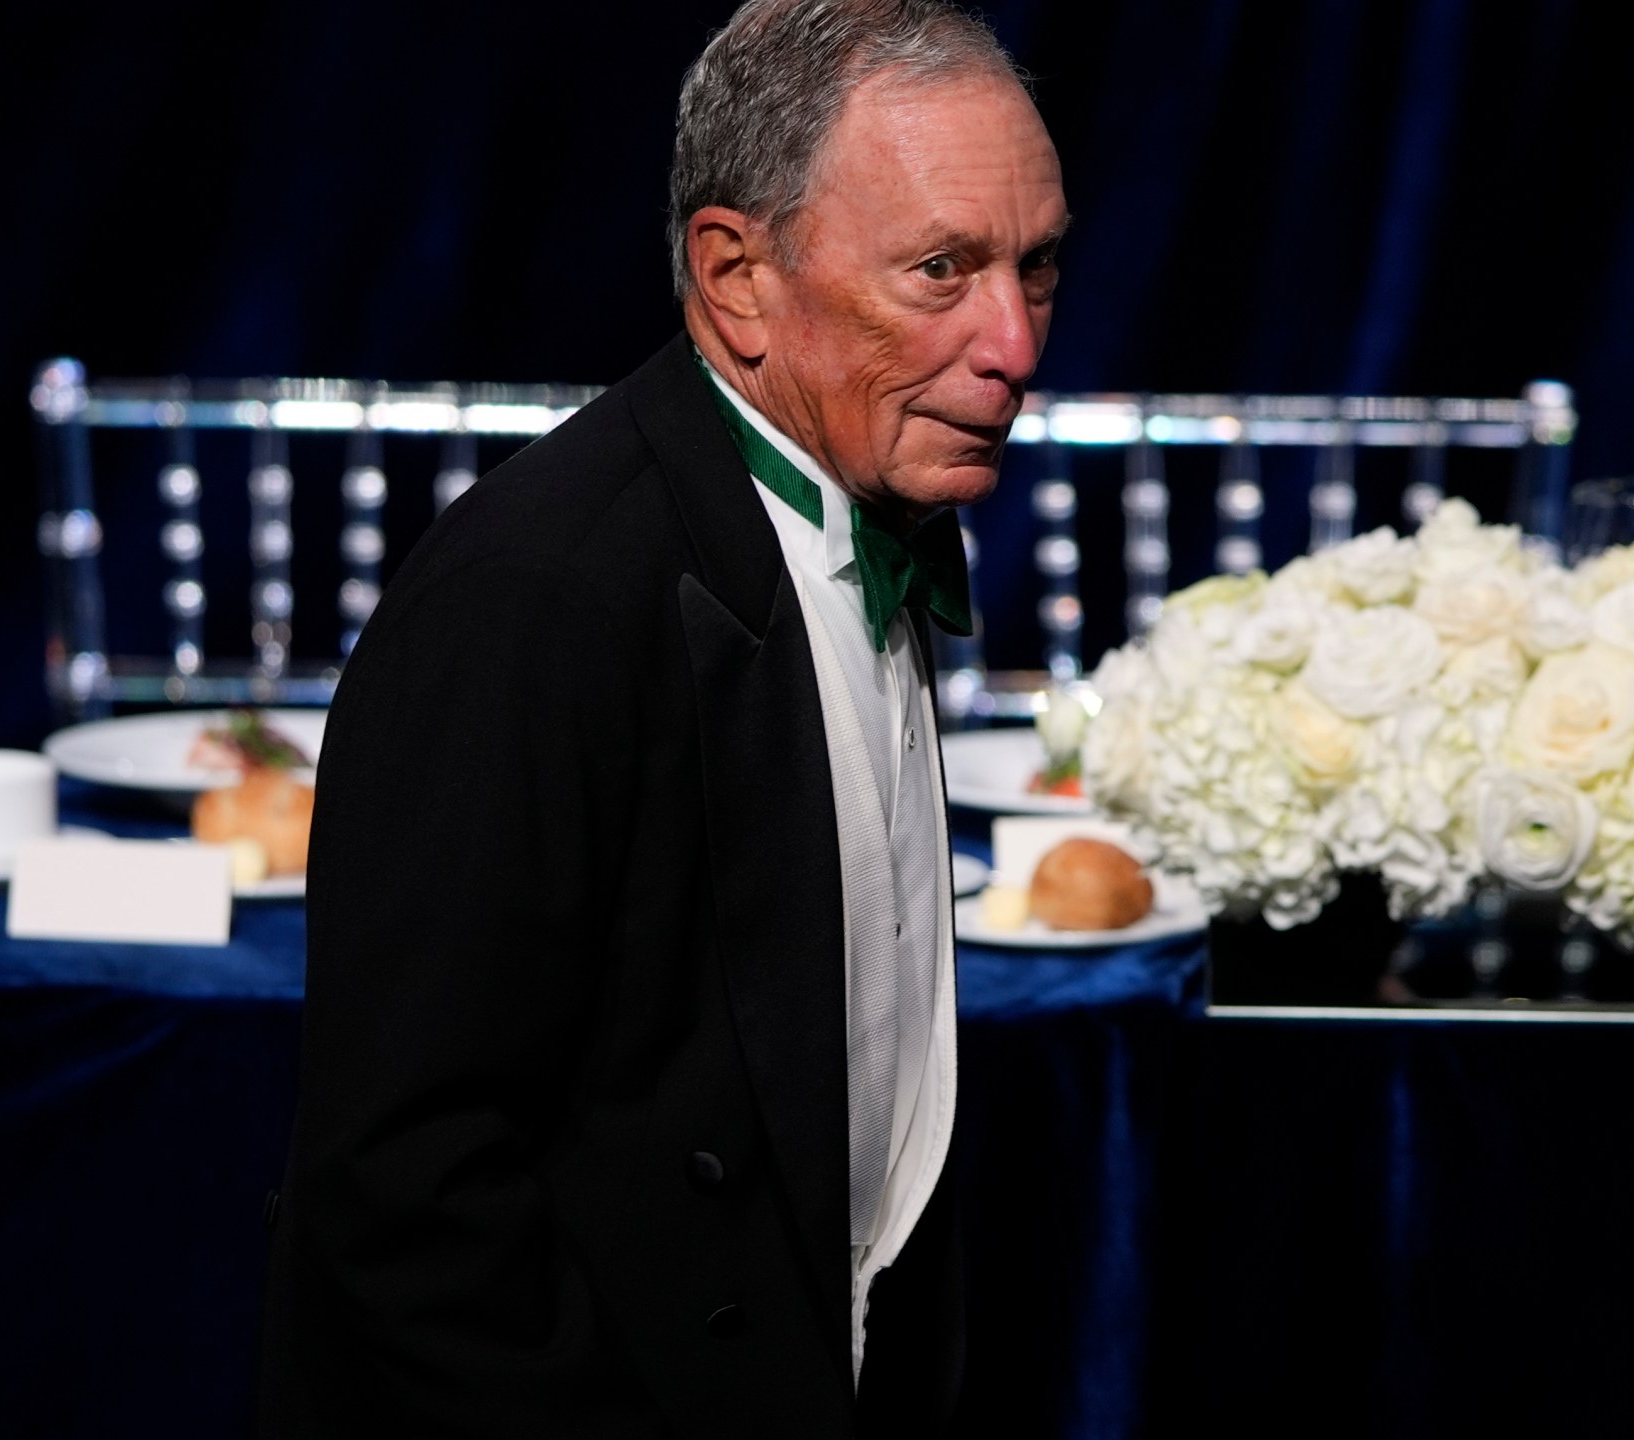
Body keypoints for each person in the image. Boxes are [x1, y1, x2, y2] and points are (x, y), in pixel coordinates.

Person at [256, 0, 1066, 1433]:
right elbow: (407, 1204)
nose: (1012, 340)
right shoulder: (531, 597)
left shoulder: (859, 493)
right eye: (942, 270)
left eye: (1036, 268)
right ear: (737, 279)